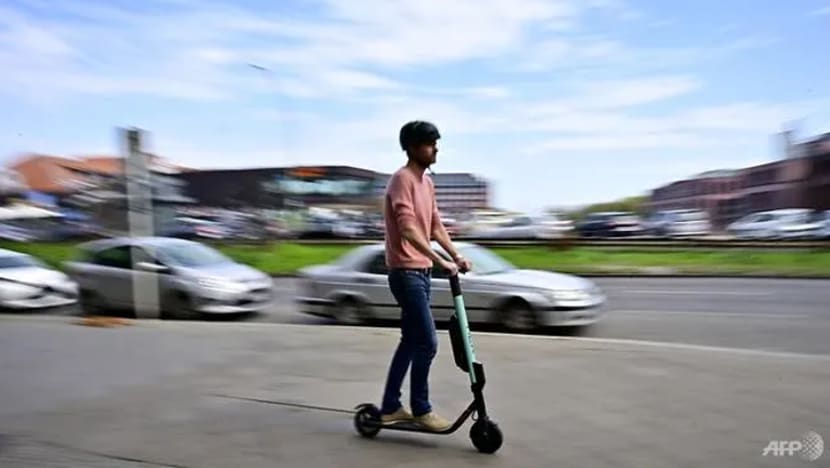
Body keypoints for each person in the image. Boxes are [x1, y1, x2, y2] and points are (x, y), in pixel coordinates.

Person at [379, 120, 473, 432]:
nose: (435, 149)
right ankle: (421, 409)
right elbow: (408, 229)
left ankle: (390, 406)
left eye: (436, 143)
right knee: (427, 343)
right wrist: (438, 260)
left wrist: (455, 255)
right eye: (429, 144)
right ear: (412, 147)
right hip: (405, 272)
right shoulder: (401, 180)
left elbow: (433, 225)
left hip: (421, 272)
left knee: (410, 341)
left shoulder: (426, 184)